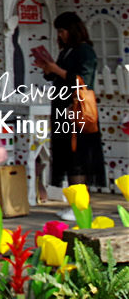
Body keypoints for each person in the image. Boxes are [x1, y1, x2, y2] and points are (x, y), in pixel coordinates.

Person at [33, 11, 106, 192]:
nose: (60, 35)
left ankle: (80, 203)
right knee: (67, 156)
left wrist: (56, 70)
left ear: (73, 30)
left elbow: (83, 80)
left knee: (77, 157)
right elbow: (60, 76)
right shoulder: (66, 51)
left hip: (76, 109)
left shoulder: (85, 50)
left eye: (63, 31)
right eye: (58, 31)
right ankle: (74, 200)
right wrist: (48, 69)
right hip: (61, 107)